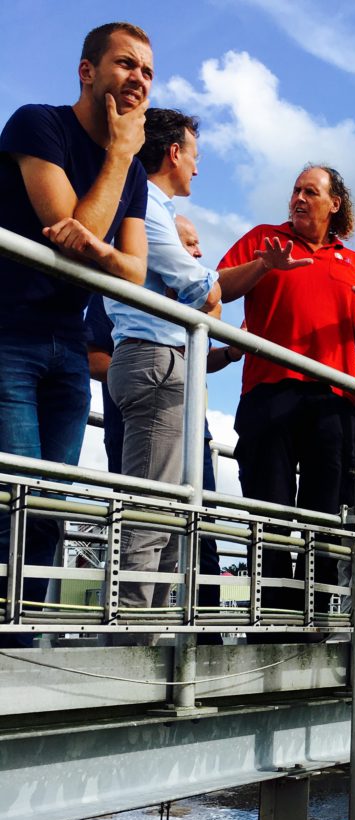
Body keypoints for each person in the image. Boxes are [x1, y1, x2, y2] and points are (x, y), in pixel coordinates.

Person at [0, 22, 151, 642]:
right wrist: (117, 156)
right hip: (9, 335)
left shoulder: (135, 174)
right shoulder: (39, 124)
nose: (138, 79)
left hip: (67, 346)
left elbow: (134, 273)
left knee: (51, 508)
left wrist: (98, 247)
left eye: (147, 71)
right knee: (18, 495)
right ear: (87, 72)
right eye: (125, 65)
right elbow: (64, 225)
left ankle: (26, 640)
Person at [218, 165, 355, 621]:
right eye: (295, 190)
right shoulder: (265, 238)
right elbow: (220, 288)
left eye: (311, 191)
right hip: (269, 393)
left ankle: (314, 621)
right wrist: (265, 264)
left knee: (324, 515)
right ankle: (271, 621)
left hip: (332, 403)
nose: (299, 198)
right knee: (270, 510)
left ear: (334, 203)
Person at [102, 109, 229, 630]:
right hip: (155, 358)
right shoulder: (148, 206)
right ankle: (132, 637)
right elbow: (201, 290)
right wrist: (208, 284)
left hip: (164, 360)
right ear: (174, 153)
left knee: (176, 513)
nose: (197, 168)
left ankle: (156, 634)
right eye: (195, 156)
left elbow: (204, 292)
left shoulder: (151, 206)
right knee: (152, 509)